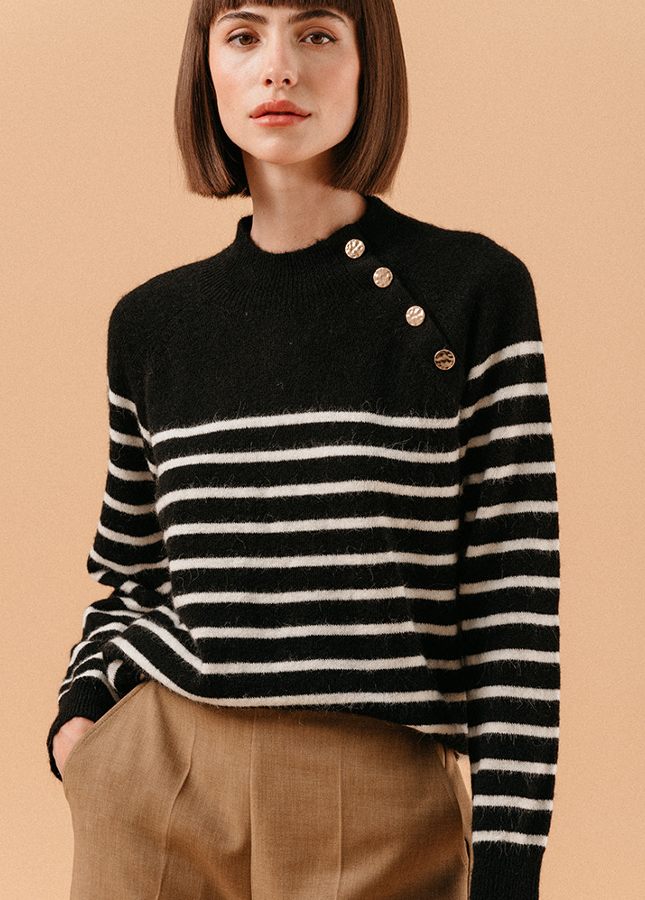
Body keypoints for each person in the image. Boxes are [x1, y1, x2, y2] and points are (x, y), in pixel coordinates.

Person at [46, 2, 561, 899]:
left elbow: (510, 594)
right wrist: (81, 714)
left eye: (317, 34)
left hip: (376, 787)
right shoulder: (153, 323)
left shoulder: (468, 292)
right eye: (243, 35)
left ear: (369, 63)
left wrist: (508, 865)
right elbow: (134, 570)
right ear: (207, 68)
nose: (277, 67)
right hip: (158, 777)